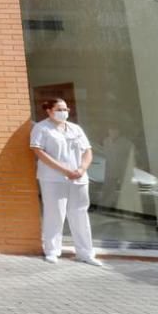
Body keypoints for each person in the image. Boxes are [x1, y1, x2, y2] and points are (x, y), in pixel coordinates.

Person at [30, 98, 101, 266]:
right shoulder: (42, 128)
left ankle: (85, 252)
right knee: (55, 213)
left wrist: (82, 169)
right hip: (53, 178)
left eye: (65, 108)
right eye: (59, 109)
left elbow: (87, 151)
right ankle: (52, 250)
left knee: (80, 214)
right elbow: (38, 151)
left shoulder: (75, 129)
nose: (64, 112)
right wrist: (64, 170)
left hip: (79, 178)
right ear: (49, 111)